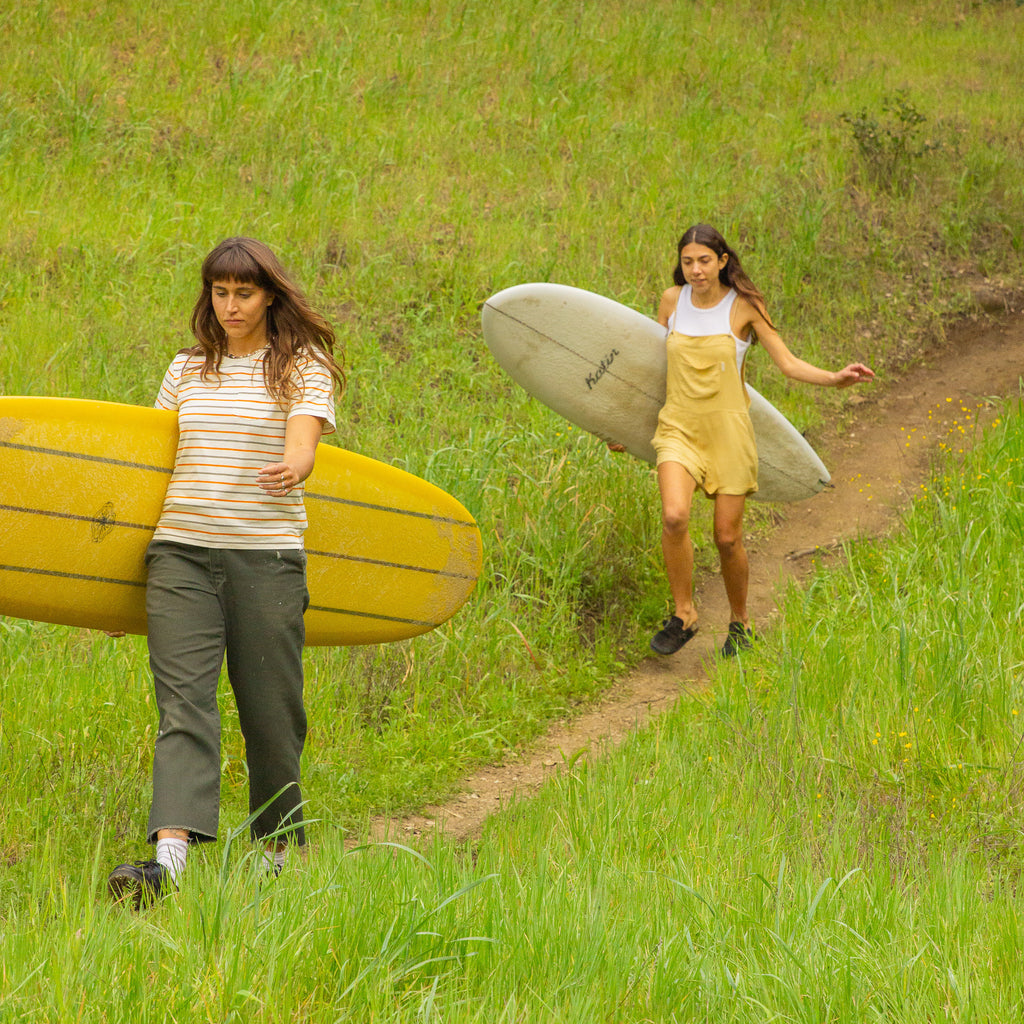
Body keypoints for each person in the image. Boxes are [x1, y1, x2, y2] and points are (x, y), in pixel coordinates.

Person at [107, 237, 345, 908]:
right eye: (220, 292)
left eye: (244, 292)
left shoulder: (301, 366)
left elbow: (304, 439)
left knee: (272, 712)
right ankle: (170, 864)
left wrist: (295, 465)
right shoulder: (187, 368)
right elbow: (146, 471)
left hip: (265, 557)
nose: (230, 305)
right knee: (183, 705)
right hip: (178, 553)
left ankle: (275, 853)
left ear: (270, 294)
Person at [624, 224, 873, 659]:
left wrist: (835, 379)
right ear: (680, 264)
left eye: (704, 261)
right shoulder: (671, 301)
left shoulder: (744, 307)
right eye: (688, 261)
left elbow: (789, 364)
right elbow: (651, 368)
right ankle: (684, 614)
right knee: (674, 516)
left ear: (722, 261)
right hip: (678, 426)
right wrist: (620, 425)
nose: (696, 270)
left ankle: (740, 623)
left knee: (727, 538)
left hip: (729, 434)